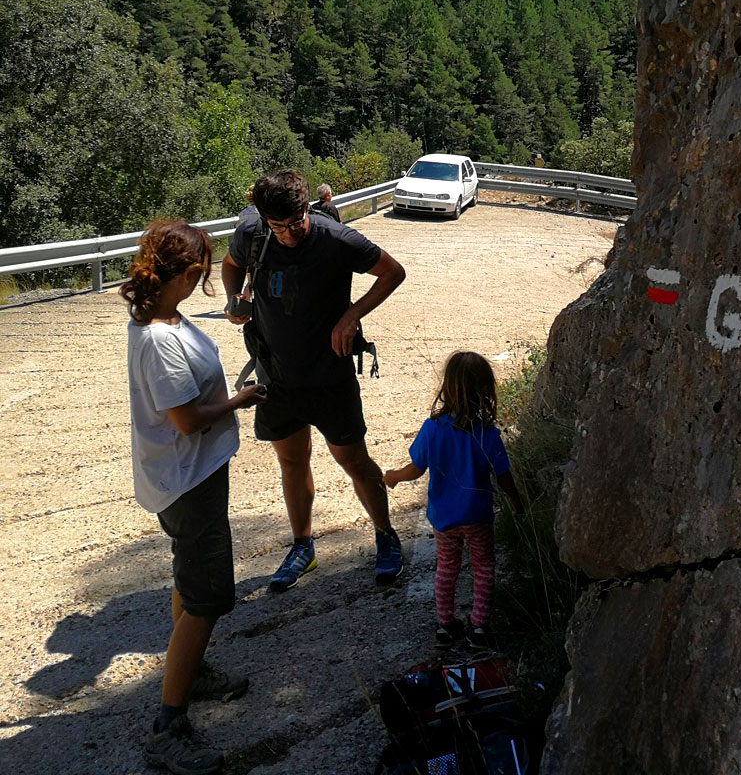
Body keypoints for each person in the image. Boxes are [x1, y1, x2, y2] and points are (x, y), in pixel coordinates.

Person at [121, 220, 265, 775]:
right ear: (183, 274)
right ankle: (168, 724)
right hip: (187, 480)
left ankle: (193, 669)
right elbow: (183, 420)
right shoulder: (159, 339)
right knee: (208, 597)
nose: (201, 283)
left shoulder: (159, 319)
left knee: (189, 579)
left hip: (188, 475)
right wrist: (239, 400)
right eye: (198, 275)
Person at [221, 169, 406, 591]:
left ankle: (385, 535)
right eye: (278, 226)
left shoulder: (336, 238)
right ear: (264, 218)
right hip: (277, 375)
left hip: (329, 375)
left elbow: (393, 272)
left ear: (306, 207)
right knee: (291, 461)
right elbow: (230, 264)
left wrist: (352, 314)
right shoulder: (251, 233)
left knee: (353, 461)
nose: (288, 233)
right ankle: (302, 547)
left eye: (296, 222)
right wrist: (236, 300)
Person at [384, 351, 523, 647]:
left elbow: (416, 468)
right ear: (485, 390)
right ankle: (479, 628)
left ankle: (445, 625)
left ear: (447, 387)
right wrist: (516, 500)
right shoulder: (488, 434)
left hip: (444, 520)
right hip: (478, 517)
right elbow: (504, 475)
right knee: (483, 567)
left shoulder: (432, 429)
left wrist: (394, 476)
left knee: (446, 569)